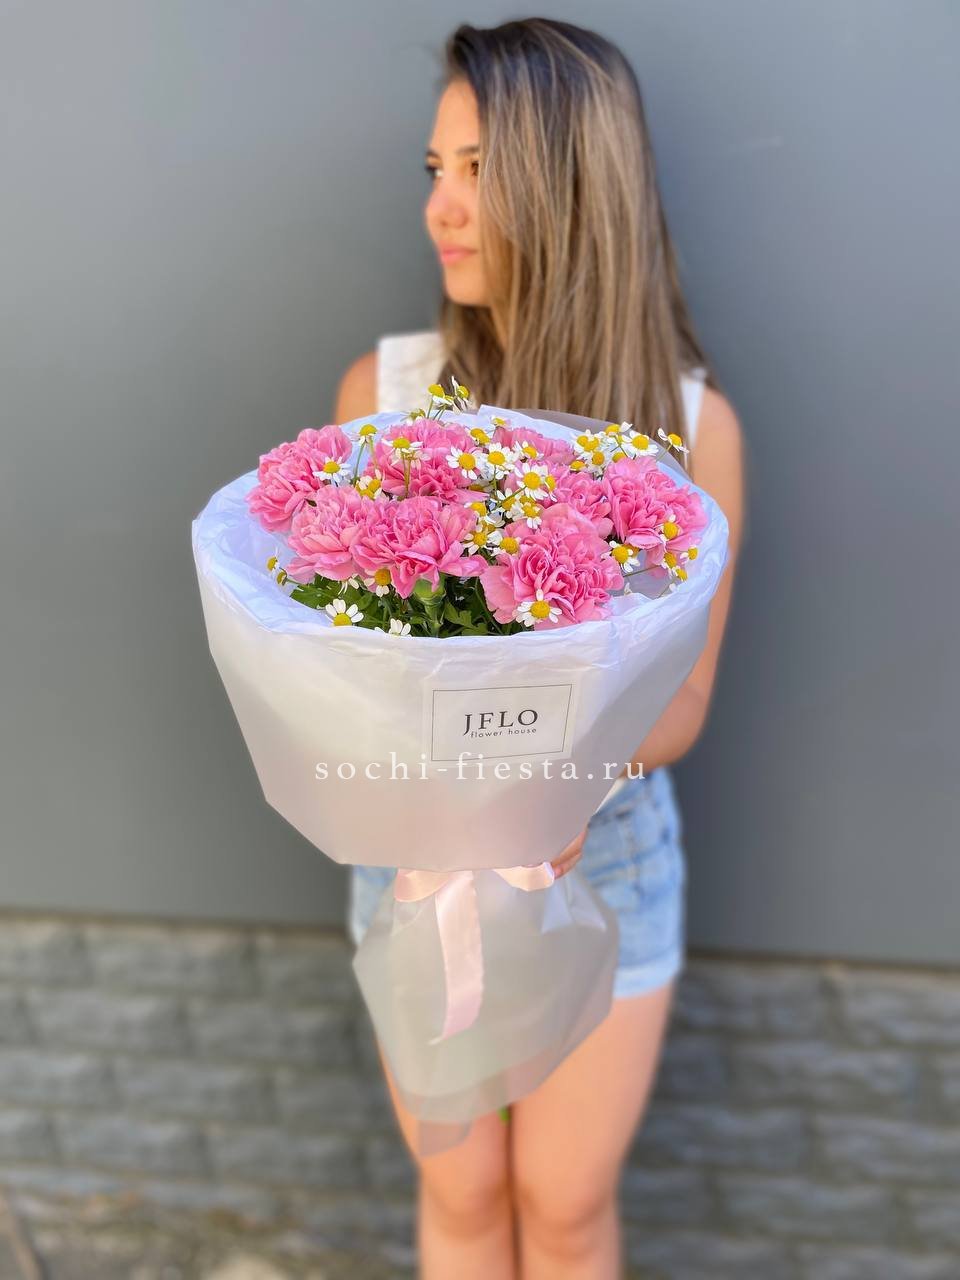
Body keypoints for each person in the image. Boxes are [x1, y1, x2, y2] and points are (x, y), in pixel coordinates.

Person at [333, 18, 745, 1280]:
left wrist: (564, 780)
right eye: (434, 169)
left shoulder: (691, 428)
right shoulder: (383, 399)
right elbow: (341, 659)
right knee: (463, 1193)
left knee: (563, 1207)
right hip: (421, 859)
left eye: (477, 169)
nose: (440, 207)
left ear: (571, 186)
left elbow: (686, 698)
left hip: (604, 860)